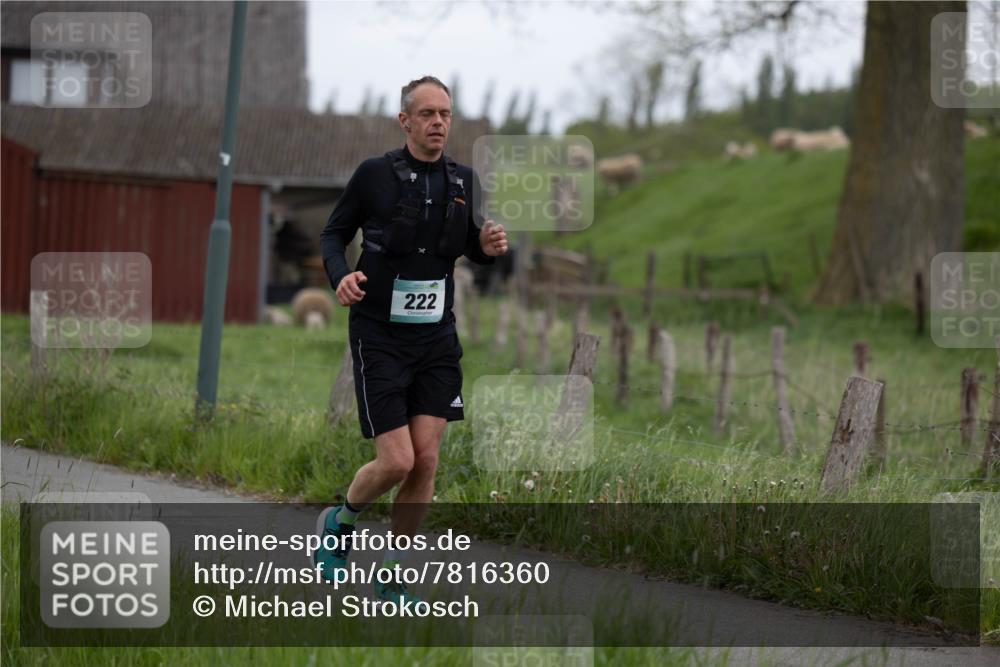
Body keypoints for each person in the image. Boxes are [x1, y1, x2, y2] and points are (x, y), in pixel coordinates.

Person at [316, 75, 508, 603]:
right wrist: (341, 276)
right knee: (397, 460)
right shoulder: (374, 175)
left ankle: (393, 571)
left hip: (437, 339)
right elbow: (334, 233)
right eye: (427, 114)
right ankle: (340, 520)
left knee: (426, 460)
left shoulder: (463, 180)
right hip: (379, 335)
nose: (439, 122)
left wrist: (488, 245)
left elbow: (468, 245)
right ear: (406, 121)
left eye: (445, 114)